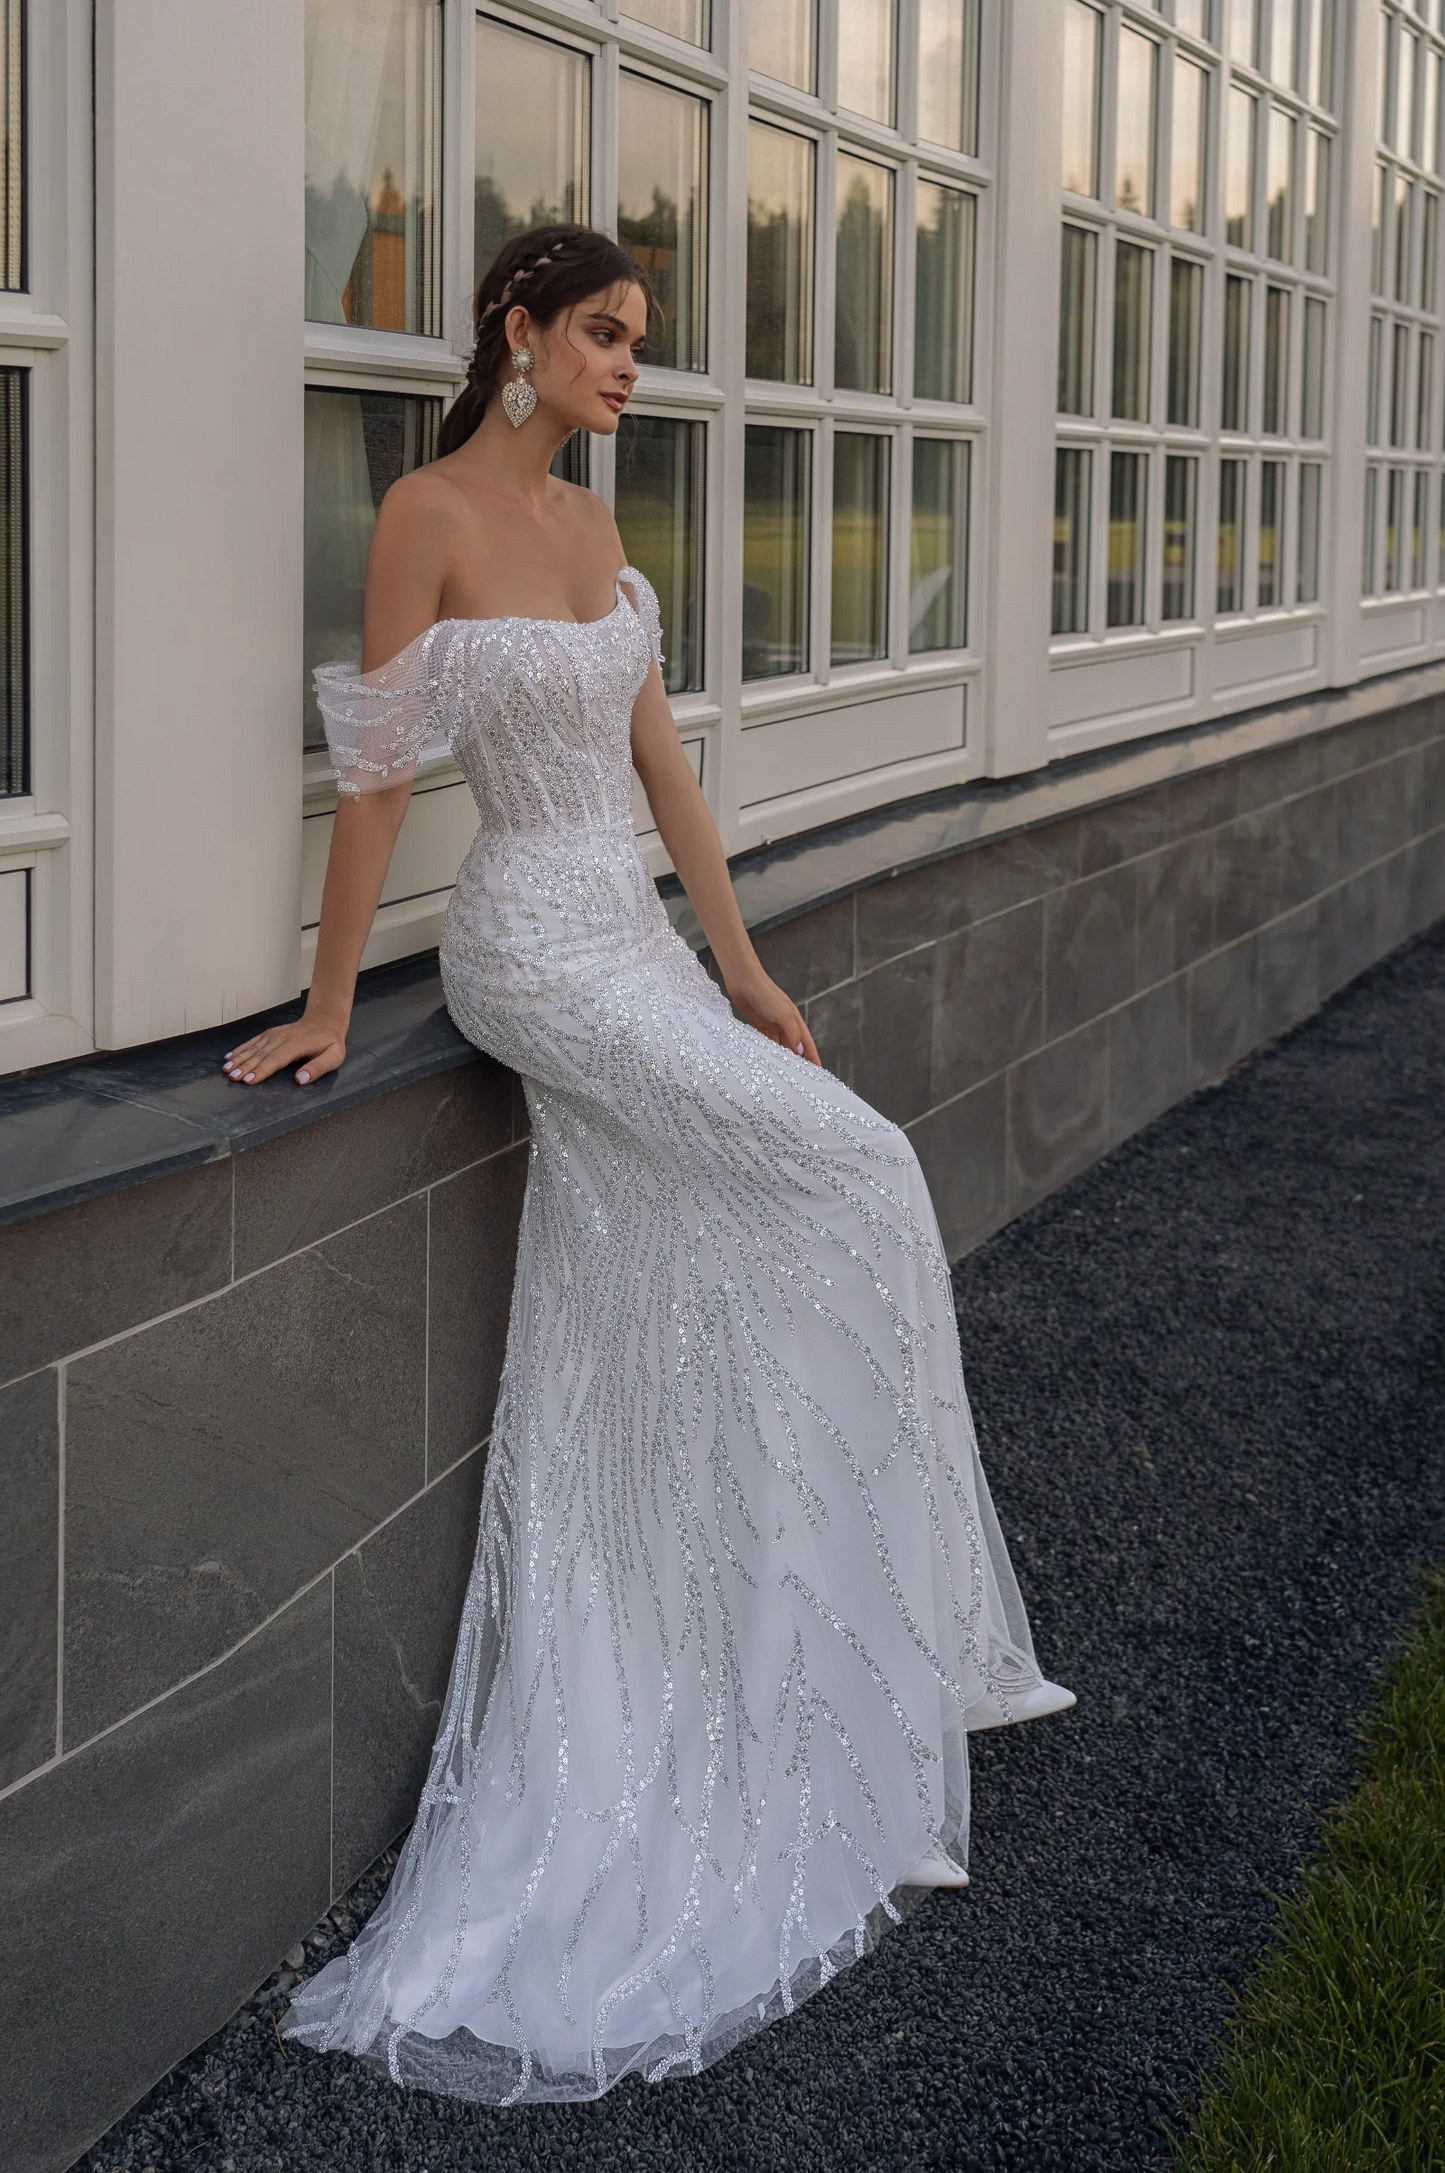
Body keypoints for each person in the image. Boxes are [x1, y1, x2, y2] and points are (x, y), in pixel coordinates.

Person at [225, 224, 1074, 2106]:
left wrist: (749, 964)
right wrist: (330, 1010)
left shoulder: (601, 532)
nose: (631, 364)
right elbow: (376, 784)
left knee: (768, 1212)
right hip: (528, 948)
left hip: (640, 938)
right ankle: (803, 1643)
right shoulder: (424, 515)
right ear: (518, 331)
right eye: (606, 334)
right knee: (857, 1182)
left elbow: (664, 770)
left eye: (641, 341)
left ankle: (790, 1625)